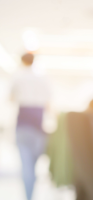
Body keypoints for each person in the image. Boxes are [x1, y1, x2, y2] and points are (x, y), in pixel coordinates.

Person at [11, 53, 51, 200]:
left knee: (26, 166)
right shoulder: (43, 78)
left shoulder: (18, 76)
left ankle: (29, 197)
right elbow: (49, 104)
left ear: (22, 61)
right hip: (39, 125)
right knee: (33, 165)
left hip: (23, 124)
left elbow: (11, 98)